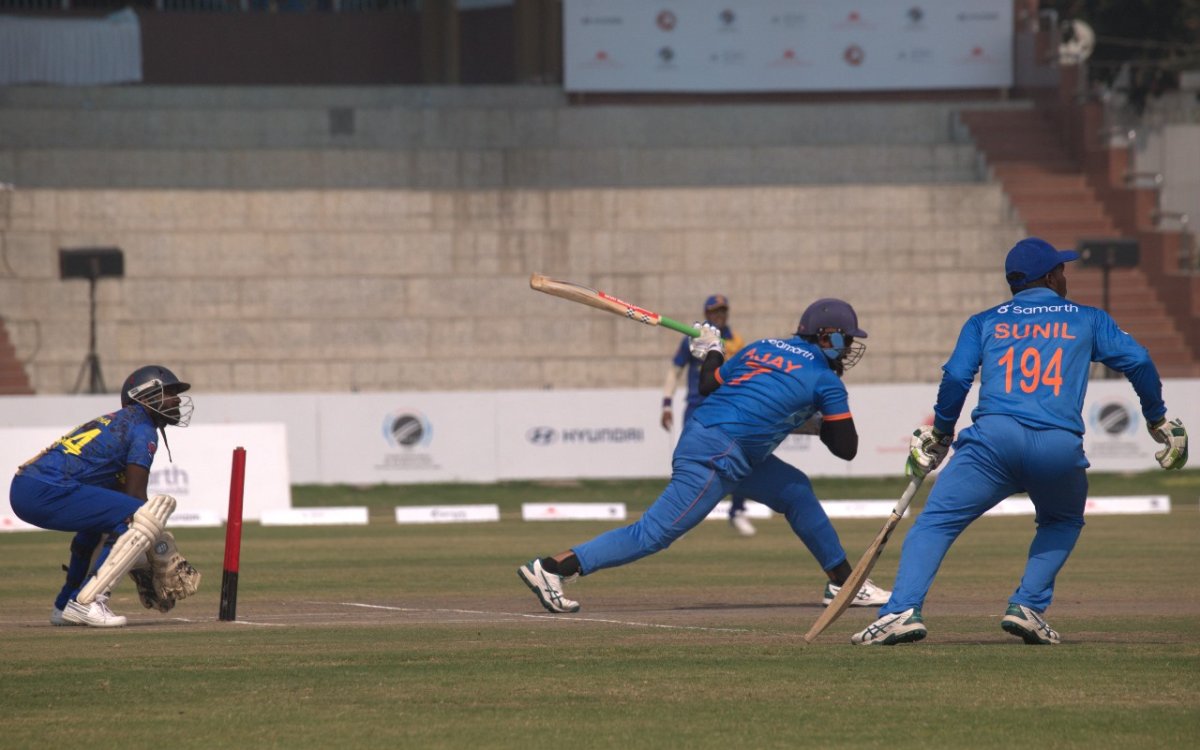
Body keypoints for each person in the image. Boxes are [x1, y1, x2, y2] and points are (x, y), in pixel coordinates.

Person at [852, 237, 1188, 646]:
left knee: (936, 524)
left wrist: (941, 431)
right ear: (1049, 276)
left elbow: (957, 377)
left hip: (993, 443)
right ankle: (1027, 606)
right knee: (1061, 520)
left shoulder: (985, 321)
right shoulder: (1087, 318)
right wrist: (1156, 417)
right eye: (1061, 269)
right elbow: (1137, 360)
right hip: (1058, 446)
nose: (1065, 275)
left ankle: (902, 610)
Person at [519, 298, 891, 613]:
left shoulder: (762, 347)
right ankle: (553, 567)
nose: (847, 348)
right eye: (844, 338)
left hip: (718, 442)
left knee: (795, 490)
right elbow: (847, 448)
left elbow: (710, 384)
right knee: (653, 534)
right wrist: (816, 422)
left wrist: (712, 352)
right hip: (719, 455)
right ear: (825, 336)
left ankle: (845, 583)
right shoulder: (826, 381)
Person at [9, 365, 194, 627]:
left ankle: (65, 606)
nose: (176, 398)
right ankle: (88, 601)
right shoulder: (142, 428)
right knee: (142, 517)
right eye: (169, 392)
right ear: (143, 396)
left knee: (99, 526)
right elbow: (136, 498)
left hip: (27, 487)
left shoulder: (121, 421)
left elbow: (118, 501)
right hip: (47, 488)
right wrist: (152, 554)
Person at [661, 294, 756, 536]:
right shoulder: (694, 337)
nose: (720, 315)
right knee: (688, 464)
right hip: (696, 407)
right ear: (706, 315)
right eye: (715, 312)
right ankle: (677, 518)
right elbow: (675, 372)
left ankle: (737, 510)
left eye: (723, 311)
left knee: (741, 458)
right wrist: (666, 404)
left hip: (726, 407)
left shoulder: (736, 341)